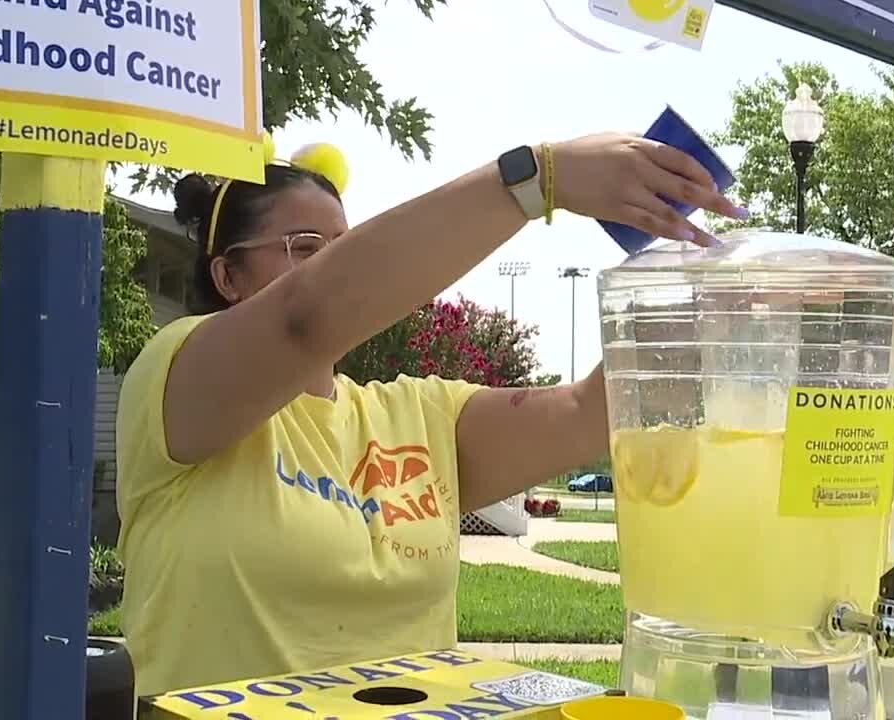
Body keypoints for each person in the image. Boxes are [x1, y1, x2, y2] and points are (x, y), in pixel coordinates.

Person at [114, 132, 744, 698]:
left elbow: (589, 411)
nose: (337, 266)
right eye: (309, 248)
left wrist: (714, 297)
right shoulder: (172, 376)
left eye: (347, 247)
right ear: (227, 274)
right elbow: (303, 317)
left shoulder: (418, 414)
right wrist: (537, 179)